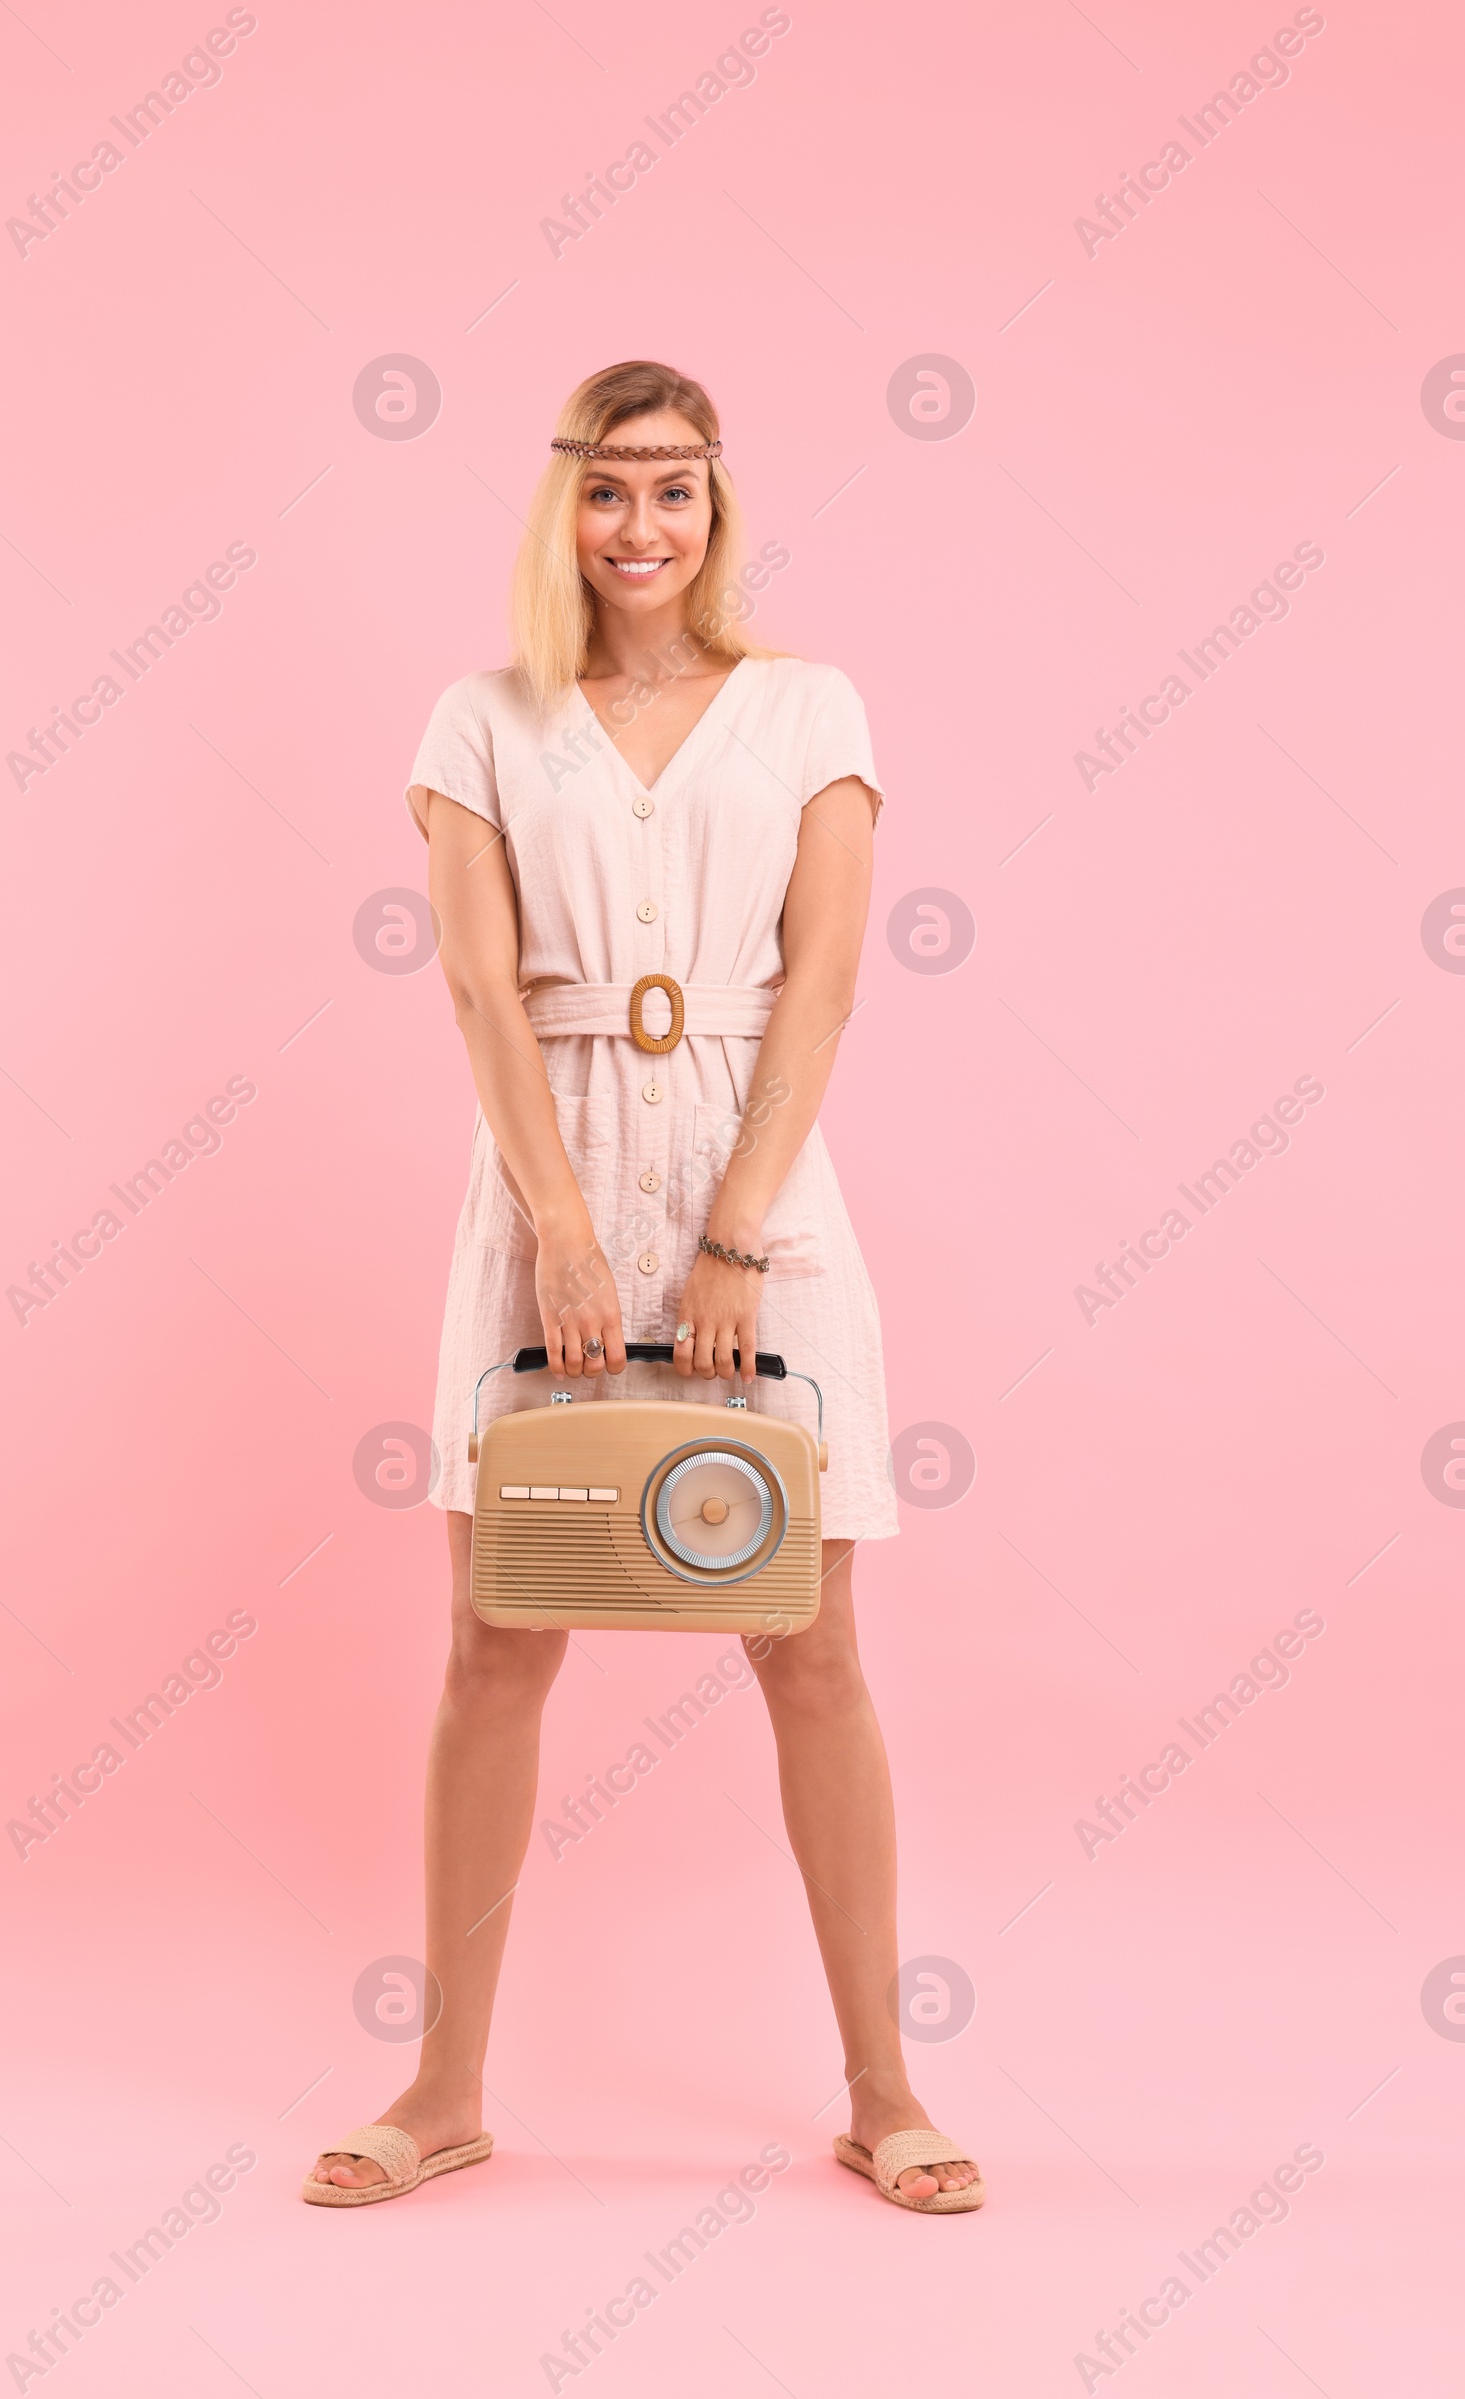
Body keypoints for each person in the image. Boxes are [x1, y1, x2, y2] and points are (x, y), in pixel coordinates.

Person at [304, 360, 983, 2215]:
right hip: (551, 1183)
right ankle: (444, 2086)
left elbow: (826, 982)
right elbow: (475, 988)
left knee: (813, 1646)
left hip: (761, 1185)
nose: (640, 527)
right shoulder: (483, 723)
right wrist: (562, 1220)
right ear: (561, 506)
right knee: (497, 1638)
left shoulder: (809, 708)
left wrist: (738, 1227)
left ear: (719, 507)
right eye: (608, 491)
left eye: (674, 490)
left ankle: (885, 2087)